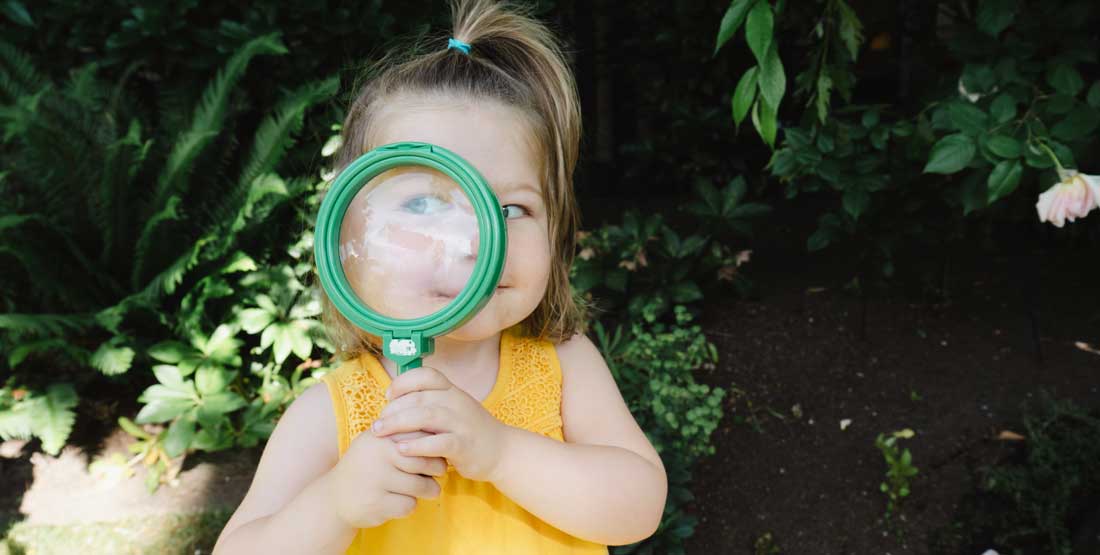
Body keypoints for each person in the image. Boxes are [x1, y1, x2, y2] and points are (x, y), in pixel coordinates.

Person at [213, 1, 667, 553]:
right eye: (426, 205)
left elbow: (638, 509)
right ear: (350, 235)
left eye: (510, 210)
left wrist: (500, 452)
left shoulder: (565, 366)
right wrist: (333, 504)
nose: (474, 241)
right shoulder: (330, 413)